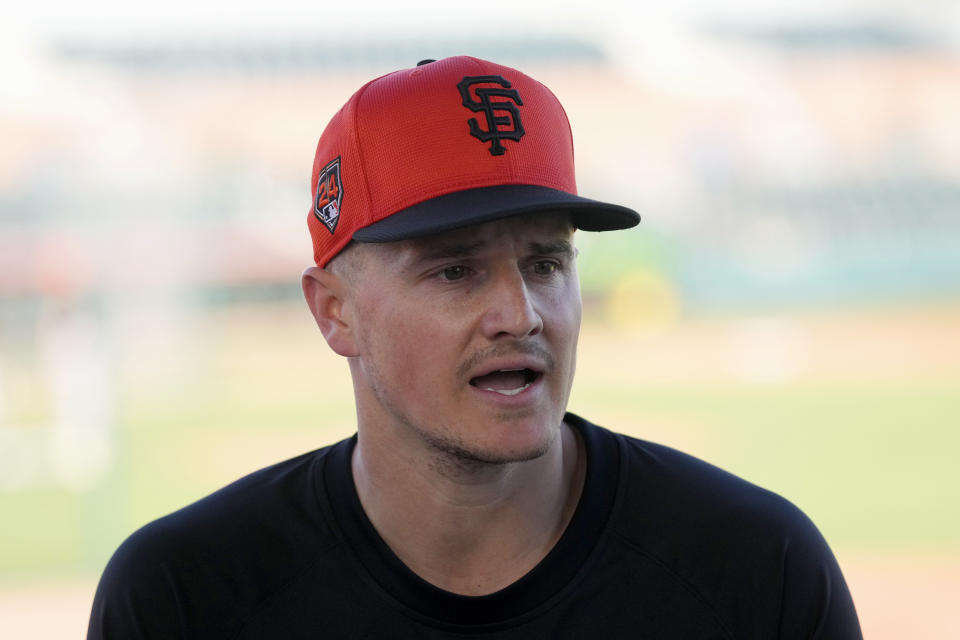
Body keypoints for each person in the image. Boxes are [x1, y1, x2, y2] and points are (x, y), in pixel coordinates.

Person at [88, 56, 862, 639]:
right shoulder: (185, 596)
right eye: (455, 268)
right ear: (334, 313)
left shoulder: (755, 568)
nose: (519, 313)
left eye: (546, 263)